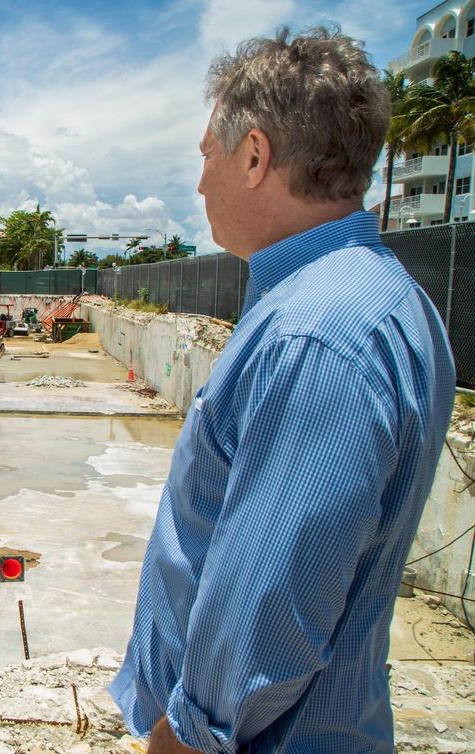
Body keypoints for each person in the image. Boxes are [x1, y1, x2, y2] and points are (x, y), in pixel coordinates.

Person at [109, 27, 456, 754]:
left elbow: (269, 611)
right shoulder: (383, 299)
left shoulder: (315, 335)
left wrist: (182, 737)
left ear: (256, 155)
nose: (201, 183)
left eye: (208, 157)